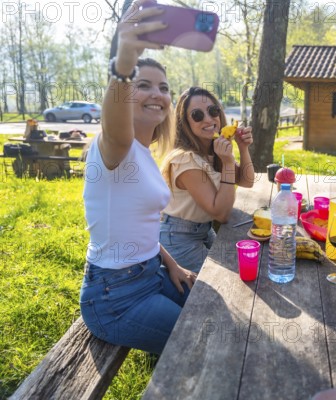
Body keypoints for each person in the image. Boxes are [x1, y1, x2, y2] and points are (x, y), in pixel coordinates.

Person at [80, 3, 196, 355]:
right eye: (142, 85)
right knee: (196, 345)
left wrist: (171, 264)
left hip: (152, 273)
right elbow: (114, 129)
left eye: (163, 88)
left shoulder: (145, 155)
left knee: (211, 307)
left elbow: (141, 228)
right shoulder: (115, 147)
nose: (157, 94)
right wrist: (124, 61)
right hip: (114, 298)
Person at [160, 87, 254, 273]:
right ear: (185, 123)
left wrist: (243, 148)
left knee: (242, 263)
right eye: (197, 115)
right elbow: (221, 214)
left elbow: (246, 181)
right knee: (222, 279)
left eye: (213, 111)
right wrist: (227, 164)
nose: (209, 119)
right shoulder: (184, 159)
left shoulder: (213, 150)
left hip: (202, 230)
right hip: (178, 237)